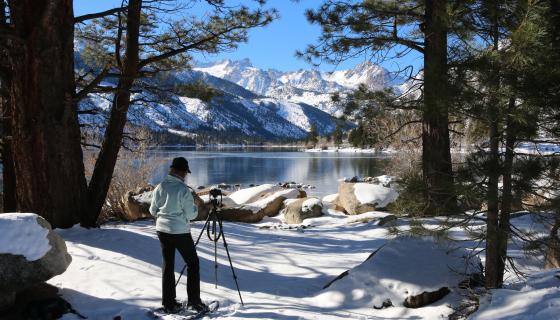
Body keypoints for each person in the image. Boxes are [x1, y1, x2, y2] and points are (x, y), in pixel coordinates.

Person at [149, 157, 208, 314]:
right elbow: (191, 215)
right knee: (192, 263)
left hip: (162, 230)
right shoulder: (184, 190)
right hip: (180, 232)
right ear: (182, 172)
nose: (186, 176)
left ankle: (169, 303)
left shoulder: (160, 187)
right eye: (185, 173)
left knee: (168, 265)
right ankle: (194, 302)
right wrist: (195, 207)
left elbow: (152, 211)